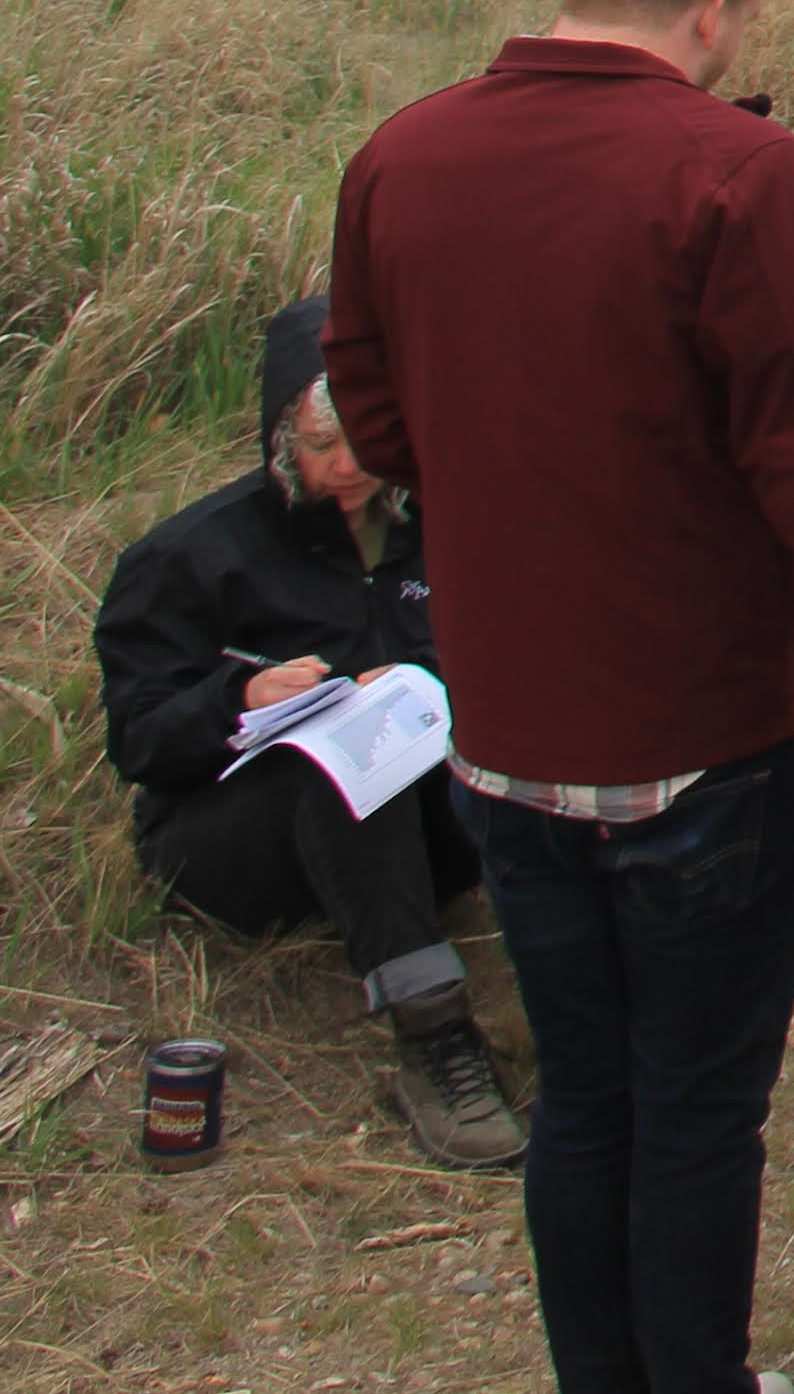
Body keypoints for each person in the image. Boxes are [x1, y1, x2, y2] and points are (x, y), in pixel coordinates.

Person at [326, 0, 794, 1391]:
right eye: (740, 30)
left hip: (503, 741)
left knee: (587, 1104)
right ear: (714, 6)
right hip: (704, 745)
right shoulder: (732, 176)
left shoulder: (397, 160)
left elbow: (373, 420)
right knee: (694, 1112)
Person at [96, 297, 514, 1167]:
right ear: (282, 441)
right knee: (338, 762)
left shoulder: (455, 523)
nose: (347, 467)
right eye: (322, 448)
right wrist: (237, 697)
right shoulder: (192, 558)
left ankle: (581, 996)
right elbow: (139, 741)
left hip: (436, 822)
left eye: (366, 441)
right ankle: (436, 1042)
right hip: (236, 843)